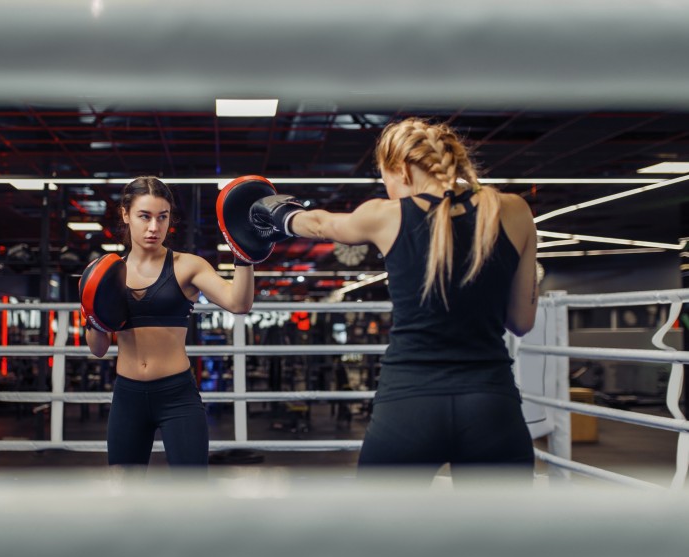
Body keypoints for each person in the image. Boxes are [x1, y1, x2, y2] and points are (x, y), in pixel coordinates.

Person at [250, 117, 539, 485]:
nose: (386, 188)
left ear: (401, 169)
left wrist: (274, 213)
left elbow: (322, 224)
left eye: (385, 177)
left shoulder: (385, 215)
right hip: (490, 404)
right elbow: (522, 321)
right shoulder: (513, 210)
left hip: (409, 405)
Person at [85, 175, 254, 468]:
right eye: (144, 216)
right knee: (125, 491)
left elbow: (238, 303)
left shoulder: (187, 265)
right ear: (126, 215)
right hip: (128, 397)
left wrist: (244, 255)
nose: (154, 227)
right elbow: (98, 349)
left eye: (162, 217)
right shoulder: (107, 273)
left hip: (177, 395)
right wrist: (93, 312)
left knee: (190, 491)